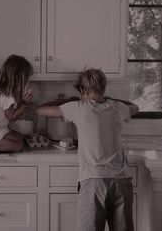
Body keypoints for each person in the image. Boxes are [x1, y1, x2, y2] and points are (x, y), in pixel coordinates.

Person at [37, 68, 139, 231]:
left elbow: (40, 110)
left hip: (93, 182)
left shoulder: (78, 107)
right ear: (103, 88)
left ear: (82, 90)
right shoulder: (118, 107)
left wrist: (67, 101)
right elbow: (135, 107)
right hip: (122, 181)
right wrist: (109, 99)